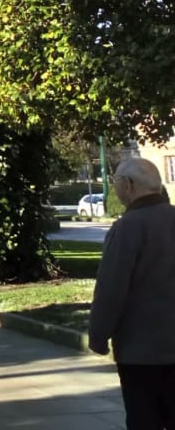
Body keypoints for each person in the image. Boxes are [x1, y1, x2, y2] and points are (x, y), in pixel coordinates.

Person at [88, 158, 175, 430]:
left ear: (129, 184)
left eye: (115, 181)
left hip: (142, 350)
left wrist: (99, 335)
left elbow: (111, 288)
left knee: (144, 418)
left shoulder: (127, 228)